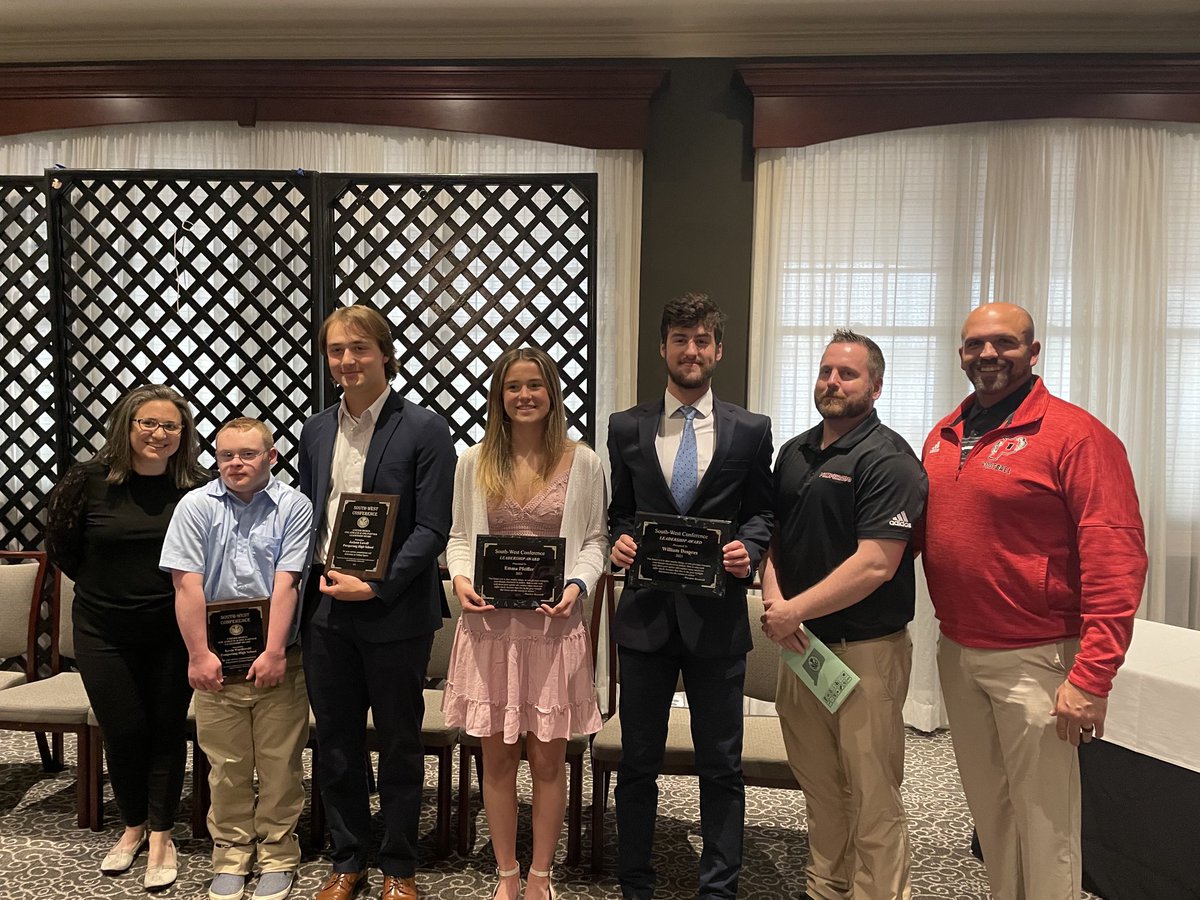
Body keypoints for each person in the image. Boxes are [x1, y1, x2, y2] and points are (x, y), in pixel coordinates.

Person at [920, 302, 1147, 900]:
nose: (988, 355)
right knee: (994, 815)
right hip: (958, 649)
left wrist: (1092, 677)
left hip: (1038, 659)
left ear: (1033, 352)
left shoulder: (1078, 436)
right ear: (961, 353)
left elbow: (1116, 558)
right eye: (975, 345)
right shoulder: (943, 435)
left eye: (1005, 343)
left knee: (1047, 825)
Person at [607, 292, 774, 899]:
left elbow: (761, 513)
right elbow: (621, 511)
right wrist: (621, 541)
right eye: (680, 339)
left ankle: (718, 888)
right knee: (638, 763)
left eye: (702, 340)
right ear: (663, 348)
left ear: (718, 349)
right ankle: (635, 882)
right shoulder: (625, 426)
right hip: (647, 619)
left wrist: (748, 551)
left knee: (721, 766)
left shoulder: (751, 431)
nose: (691, 350)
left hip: (717, 621)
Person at [760, 330, 927, 900]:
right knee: (822, 790)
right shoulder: (795, 453)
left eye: (847, 374)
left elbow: (875, 564)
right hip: (801, 652)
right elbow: (773, 541)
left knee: (874, 796)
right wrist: (776, 604)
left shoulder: (890, 460)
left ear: (876, 387)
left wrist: (790, 613)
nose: (832, 382)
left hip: (865, 653)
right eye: (826, 370)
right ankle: (824, 889)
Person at [298, 304, 456, 900]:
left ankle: (398, 865)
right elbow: (312, 517)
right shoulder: (315, 430)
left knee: (398, 741)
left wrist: (379, 582)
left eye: (359, 348)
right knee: (335, 742)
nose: (347, 361)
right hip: (327, 610)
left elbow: (433, 526)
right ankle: (348, 858)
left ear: (384, 353)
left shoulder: (424, 428)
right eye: (337, 350)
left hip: (394, 611)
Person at [442, 347, 606, 900]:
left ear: (552, 392)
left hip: (552, 631)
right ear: (499, 396)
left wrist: (578, 585)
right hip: (490, 630)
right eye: (513, 387)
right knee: (497, 756)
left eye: (535, 385)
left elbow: (595, 542)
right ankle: (507, 873)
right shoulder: (473, 461)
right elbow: (460, 538)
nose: (525, 396)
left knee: (548, 758)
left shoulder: (584, 462)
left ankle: (541, 875)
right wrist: (461, 579)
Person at [44, 384, 208, 890]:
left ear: (183, 435)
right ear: (127, 427)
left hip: (170, 632)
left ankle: (161, 832)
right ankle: (132, 825)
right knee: (123, 727)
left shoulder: (195, 488)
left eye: (170, 426)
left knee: (164, 729)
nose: (159, 434)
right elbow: (62, 548)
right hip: (102, 629)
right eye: (148, 424)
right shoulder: (87, 480)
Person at [160, 418, 313, 900]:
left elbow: (288, 582)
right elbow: (186, 584)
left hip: (278, 660)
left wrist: (273, 652)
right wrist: (198, 655)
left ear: (271, 456)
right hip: (215, 664)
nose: (235, 464)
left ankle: (277, 854)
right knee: (224, 766)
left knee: (279, 765)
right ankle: (230, 854)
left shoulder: (294, 506)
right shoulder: (195, 506)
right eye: (226, 455)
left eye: (247, 454)